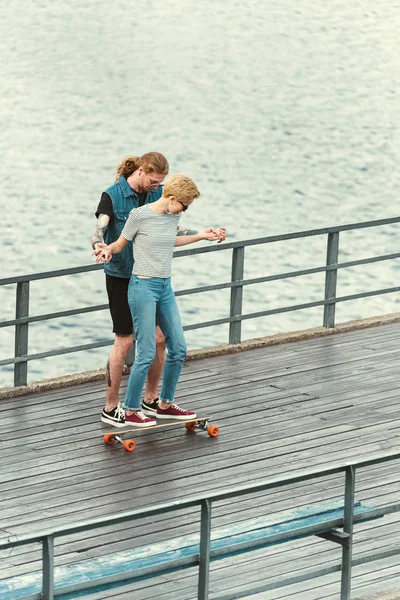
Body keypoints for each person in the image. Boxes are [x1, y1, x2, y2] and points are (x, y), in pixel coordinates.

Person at [92, 154, 226, 427]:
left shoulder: (158, 199)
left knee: (162, 340)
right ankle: (112, 407)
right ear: (141, 171)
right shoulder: (113, 196)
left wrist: (203, 233)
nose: (158, 187)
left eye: (162, 184)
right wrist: (100, 245)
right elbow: (102, 231)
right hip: (122, 275)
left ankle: (154, 401)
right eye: (154, 182)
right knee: (125, 342)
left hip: (157, 280)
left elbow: (169, 228)